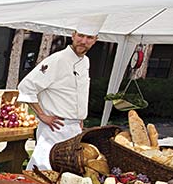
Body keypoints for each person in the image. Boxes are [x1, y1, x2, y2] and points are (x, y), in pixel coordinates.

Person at [17, 15, 107, 170]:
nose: (83, 41)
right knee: (44, 170)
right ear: (73, 35)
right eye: (80, 35)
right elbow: (26, 86)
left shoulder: (85, 62)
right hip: (54, 127)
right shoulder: (57, 60)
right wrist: (41, 114)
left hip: (75, 129)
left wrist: (79, 116)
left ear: (95, 40)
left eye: (89, 37)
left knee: (68, 174)